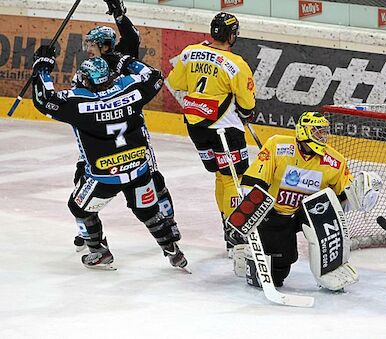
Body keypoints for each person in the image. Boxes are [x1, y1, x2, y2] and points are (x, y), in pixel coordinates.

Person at [31, 45, 188, 271]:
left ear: (87, 81)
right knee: (149, 212)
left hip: (104, 177)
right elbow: (154, 76)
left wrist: (42, 66)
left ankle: (98, 251)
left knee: (80, 209)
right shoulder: (128, 89)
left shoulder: (78, 102)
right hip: (139, 169)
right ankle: (173, 251)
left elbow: (43, 100)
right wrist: (122, 60)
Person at [231, 111, 382, 289]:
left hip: (308, 213)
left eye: (325, 131)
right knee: (277, 273)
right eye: (318, 131)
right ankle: (250, 250)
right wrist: (248, 216)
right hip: (276, 213)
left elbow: (342, 201)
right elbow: (253, 182)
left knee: (326, 216)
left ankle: (330, 269)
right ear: (304, 131)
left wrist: (359, 197)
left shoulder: (335, 161)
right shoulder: (278, 145)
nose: (324, 136)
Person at [72, 0, 176, 252]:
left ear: (104, 45)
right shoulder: (90, 68)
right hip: (98, 133)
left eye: (92, 45)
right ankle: (87, 228)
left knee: (152, 177)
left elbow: (132, 36)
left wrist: (119, 13)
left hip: (131, 130)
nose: (88, 49)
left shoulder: (118, 57)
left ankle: (168, 223)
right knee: (82, 175)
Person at [166, 12, 256, 253]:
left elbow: (175, 83)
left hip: (196, 127)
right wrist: (246, 113)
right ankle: (235, 232)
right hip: (224, 130)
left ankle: (227, 225)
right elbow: (247, 104)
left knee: (219, 174)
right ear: (232, 35)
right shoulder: (237, 64)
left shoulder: (190, 52)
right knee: (232, 178)